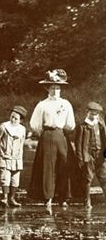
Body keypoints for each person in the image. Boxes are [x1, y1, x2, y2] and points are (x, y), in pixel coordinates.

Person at [27, 69, 76, 207]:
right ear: (47, 89)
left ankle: (63, 196)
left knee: (63, 164)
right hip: (47, 135)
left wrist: (61, 131)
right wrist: (45, 132)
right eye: (53, 88)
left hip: (61, 135)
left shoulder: (66, 104)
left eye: (58, 88)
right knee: (48, 166)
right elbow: (35, 124)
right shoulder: (42, 105)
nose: (55, 91)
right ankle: (48, 196)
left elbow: (70, 124)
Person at [72, 102, 106, 208]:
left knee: (104, 178)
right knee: (88, 179)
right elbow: (78, 145)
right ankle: (87, 202)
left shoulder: (101, 126)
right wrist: (80, 159)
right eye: (92, 114)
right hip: (88, 155)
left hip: (100, 155)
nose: (94, 116)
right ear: (87, 112)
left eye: (96, 114)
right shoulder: (82, 127)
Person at [0, 106, 28, 207]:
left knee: (15, 179)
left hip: (17, 158)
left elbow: (22, 143)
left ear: (21, 120)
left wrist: (18, 155)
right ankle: (4, 198)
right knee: (5, 178)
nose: (13, 119)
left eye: (16, 118)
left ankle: (12, 198)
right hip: (5, 157)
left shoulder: (22, 129)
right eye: (12, 117)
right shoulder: (3, 127)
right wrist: (3, 151)